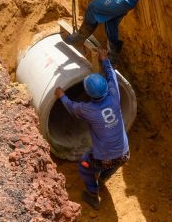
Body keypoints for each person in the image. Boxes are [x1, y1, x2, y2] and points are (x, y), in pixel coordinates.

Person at [55, 46, 129, 210]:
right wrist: (105, 60)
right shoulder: (114, 95)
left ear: (87, 93)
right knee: (113, 162)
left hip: (104, 158)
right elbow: (111, 77)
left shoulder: (86, 110)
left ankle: (92, 194)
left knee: (84, 165)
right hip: (124, 154)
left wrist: (61, 95)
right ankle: (103, 177)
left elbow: (71, 106)